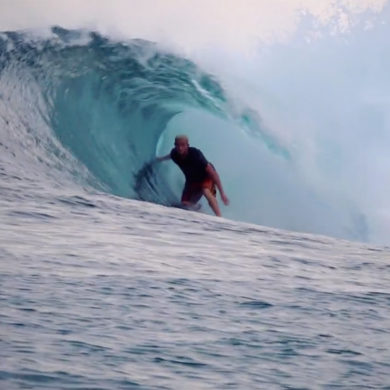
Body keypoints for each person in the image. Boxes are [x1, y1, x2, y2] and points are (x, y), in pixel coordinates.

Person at [156, 135, 229, 216]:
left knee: (205, 191)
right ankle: (201, 212)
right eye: (178, 145)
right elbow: (170, 156)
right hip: (191, 180)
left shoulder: (196, 154)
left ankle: (219, 217)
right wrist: (160, 159)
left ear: (187, 145)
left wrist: (222, 193)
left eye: (183, 145)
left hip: (206, 177)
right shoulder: (174, 154)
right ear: (175, 145)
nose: (180, 148)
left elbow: (213, 173)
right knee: (184, 204)